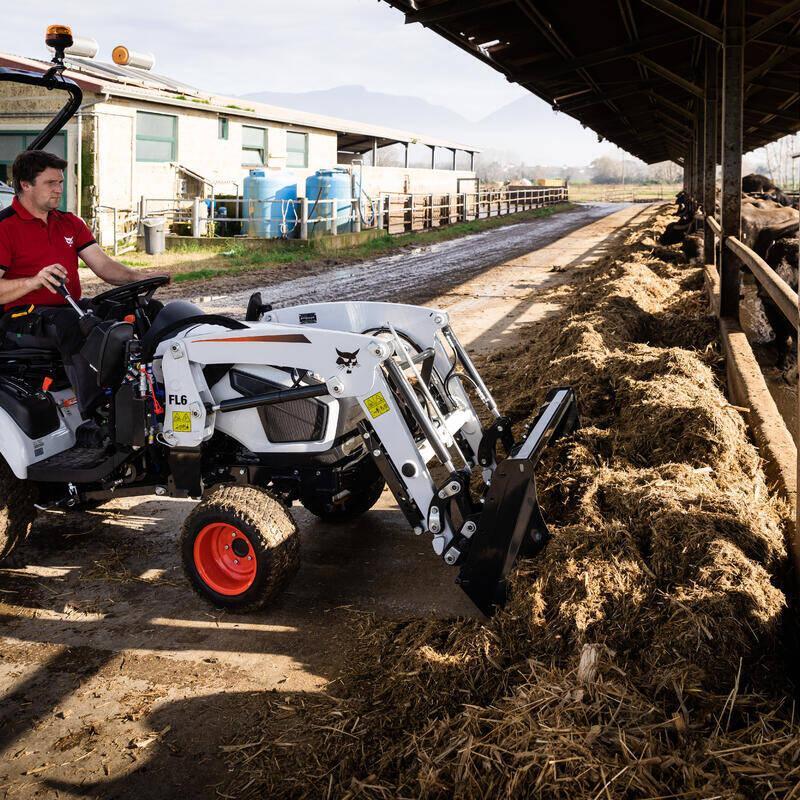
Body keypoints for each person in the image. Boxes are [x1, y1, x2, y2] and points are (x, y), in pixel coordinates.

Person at [0, 149, 160, 419]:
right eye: (51, 183)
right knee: (72, 324)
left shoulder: (69, 223)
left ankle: (155, 392)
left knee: (143, 310)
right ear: (25, 185)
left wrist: (139, 278)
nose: (58, 189)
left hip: (67, 307)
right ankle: (98, 413)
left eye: (61, 182)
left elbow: (104, 267)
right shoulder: (5, 227)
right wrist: (34, 281)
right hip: (19, 319)